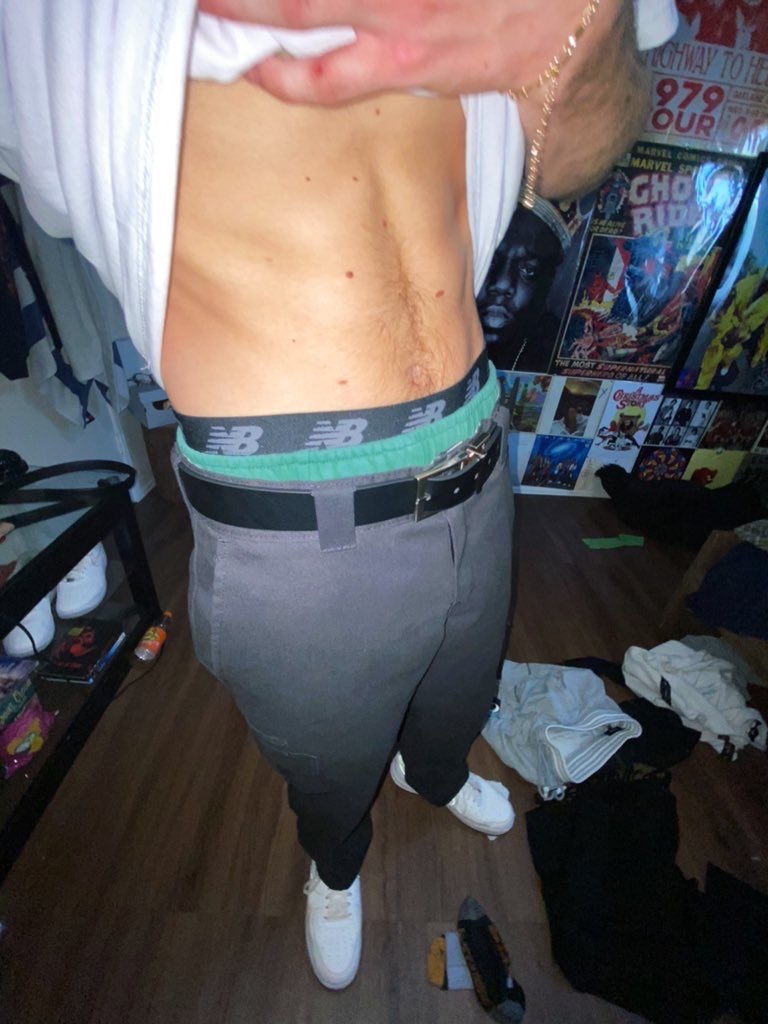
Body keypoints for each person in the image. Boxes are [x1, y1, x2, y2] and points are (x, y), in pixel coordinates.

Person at [0, 0, 679, 992]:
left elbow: (584, 152)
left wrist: (579, 33)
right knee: (327, 757)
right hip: (296, 524)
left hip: (476, 448)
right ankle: (336, 856)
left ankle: (433, 773)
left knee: (460, 687)